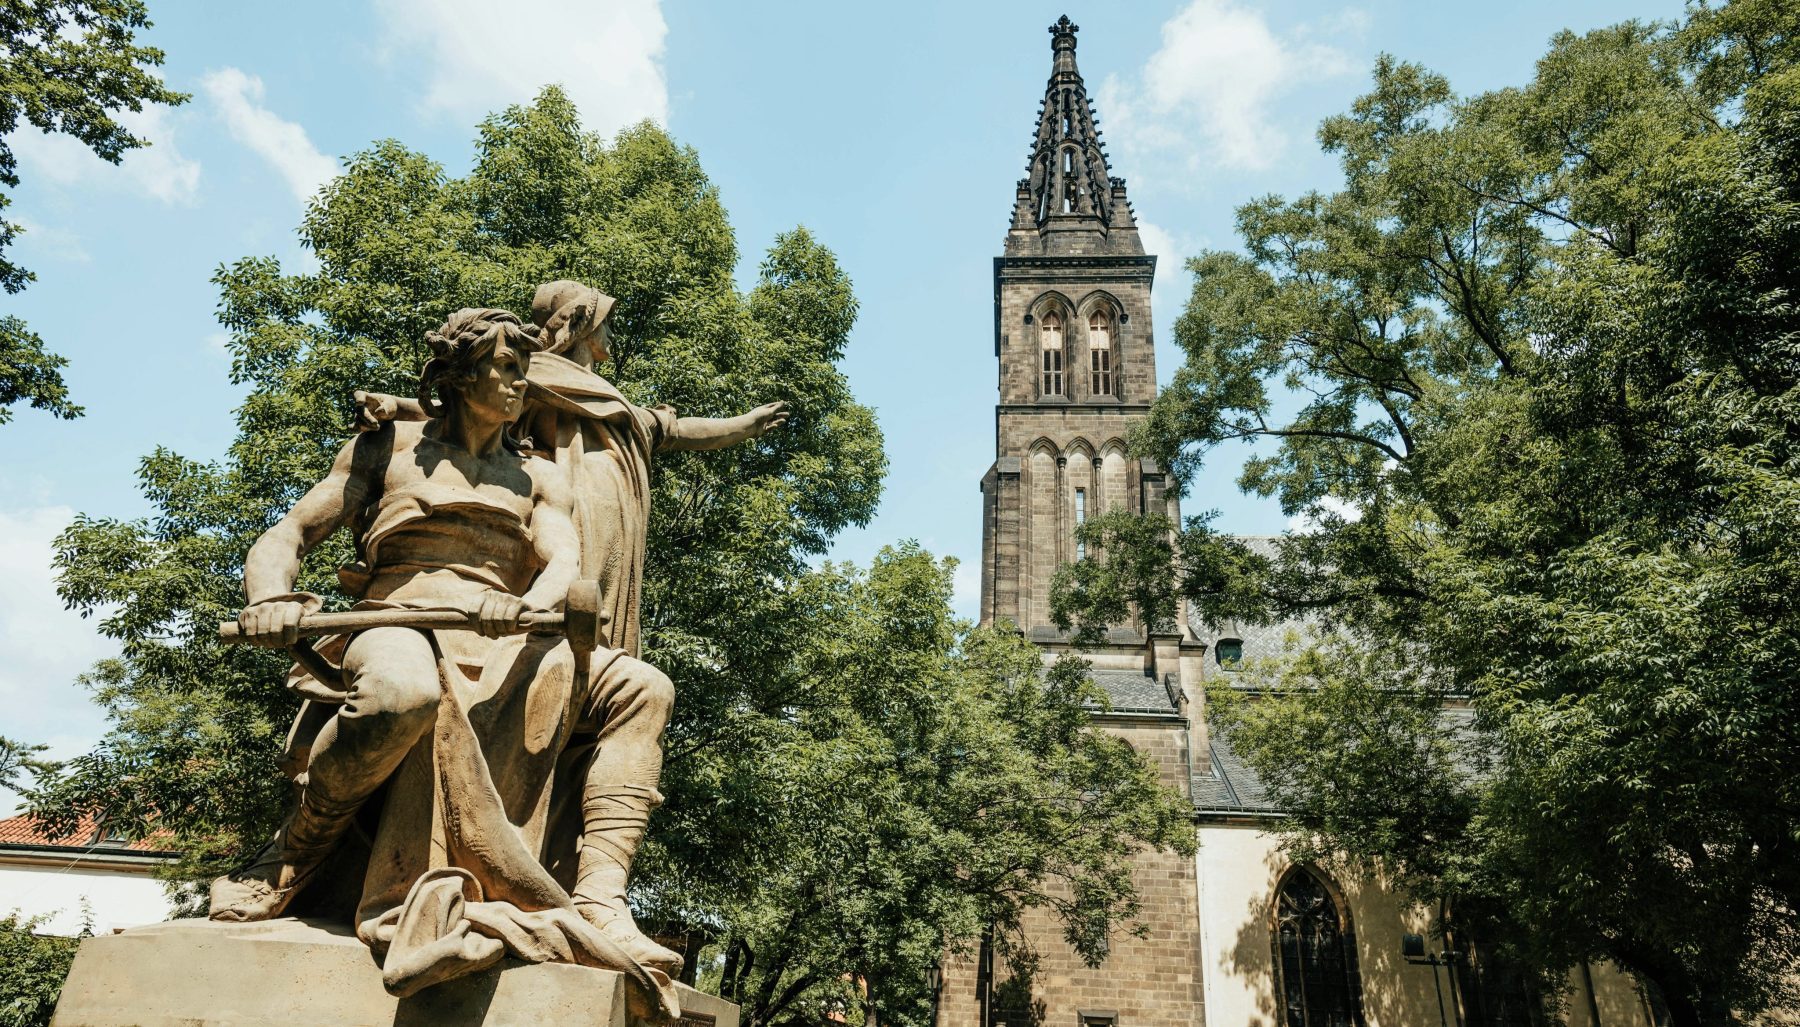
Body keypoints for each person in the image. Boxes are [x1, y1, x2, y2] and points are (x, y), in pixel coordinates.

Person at [211, 309, 681, 1012]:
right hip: (401, 617)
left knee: (644, 687)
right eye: (507, 367)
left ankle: (602, 898)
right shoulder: (388, 448)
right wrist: (269, 597)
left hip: (506, 633)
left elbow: (562, 561)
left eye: (524, 368)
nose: (523, 382)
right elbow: (289, 533)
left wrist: (528, 602)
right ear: (459, 376)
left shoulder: (539, 476)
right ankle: (296, 848)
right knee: (400, 694)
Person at [352, 282, 788, 974]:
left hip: (579, 579)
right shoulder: (532, 385)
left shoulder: (608, 407)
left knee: (632, 689)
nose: (608, 348)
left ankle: (600, 895)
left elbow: (670, 429)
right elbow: (457, 413)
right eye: (601, 332)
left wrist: (744, 424)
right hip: (505, 582)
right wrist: (391, 407)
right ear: (572, 328)